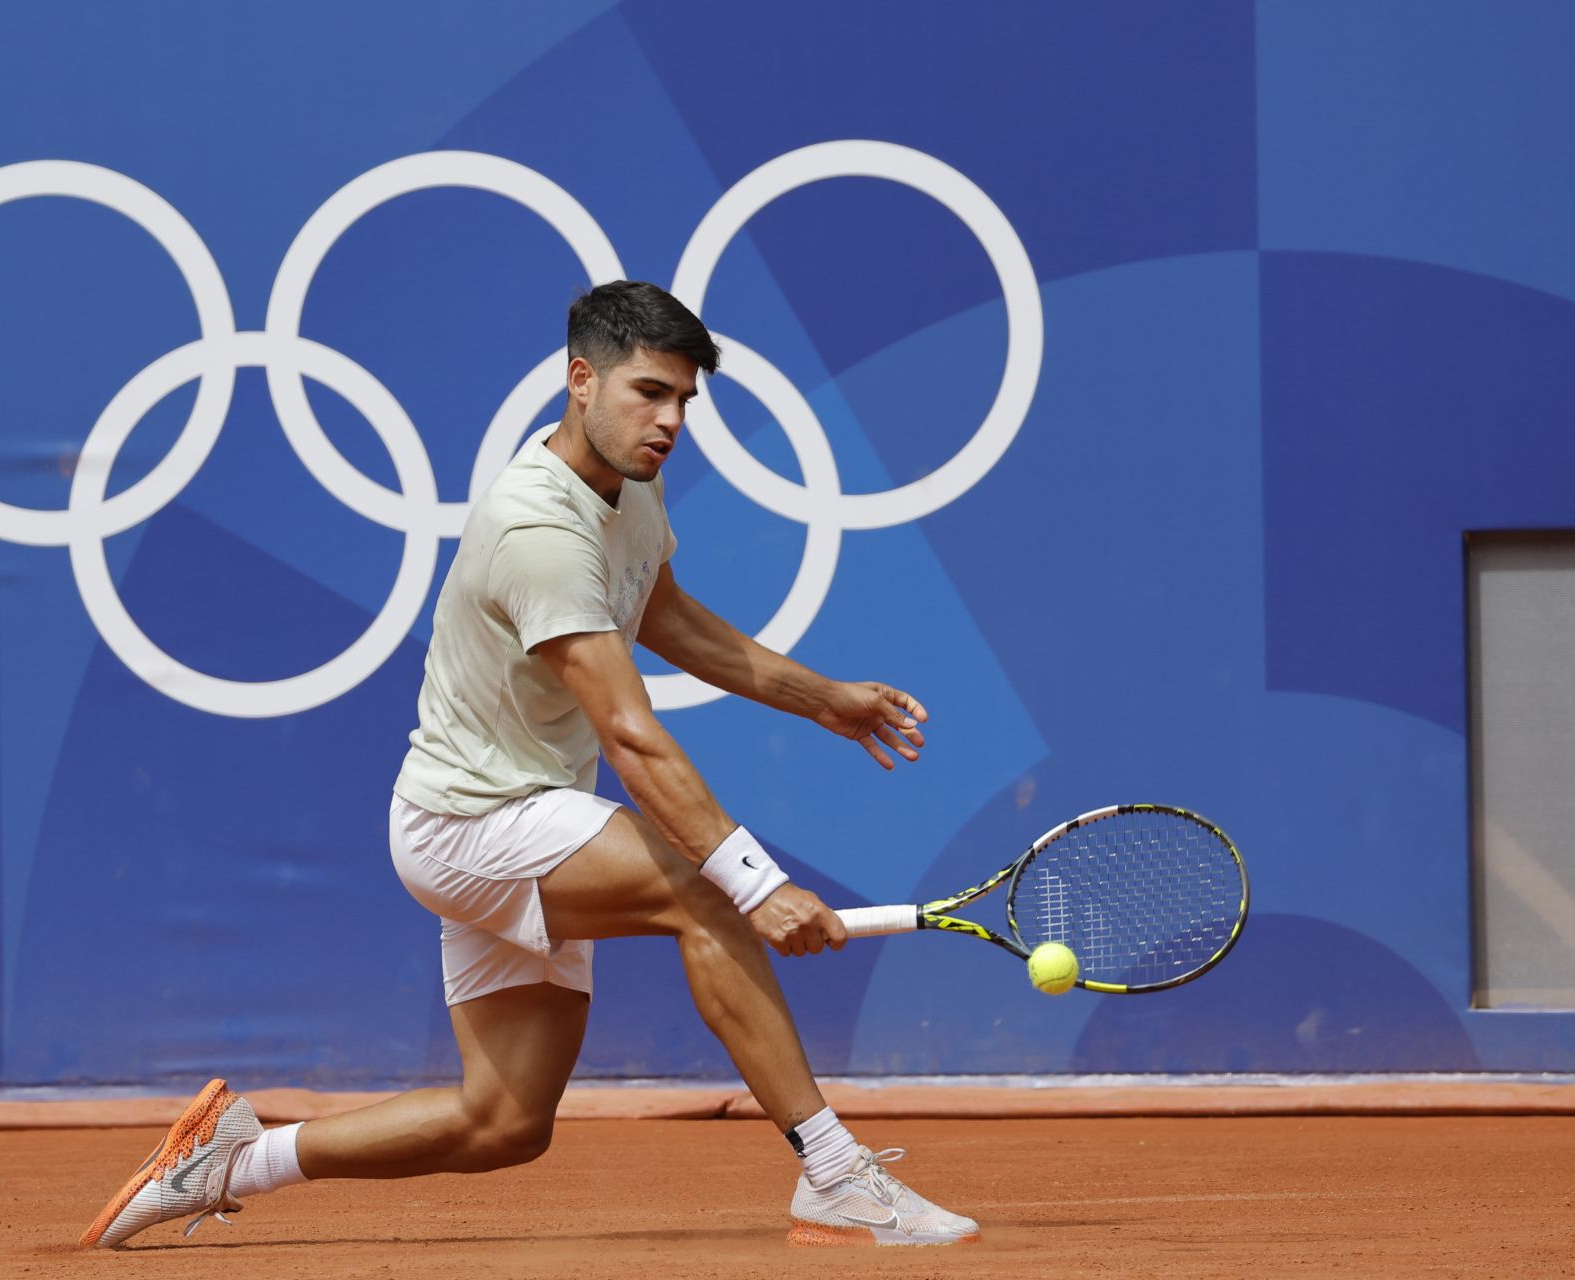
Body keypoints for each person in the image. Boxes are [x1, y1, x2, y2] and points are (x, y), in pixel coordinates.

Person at [81, 281, 980, 1250]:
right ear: (579, 378)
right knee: (703, 886)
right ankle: (837, 1174)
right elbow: (634, 736)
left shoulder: (631, 479)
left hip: (526, 812)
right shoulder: (537, 527)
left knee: (503, 1120)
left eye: (683, 399)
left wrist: (822, 696)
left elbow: (661, 609)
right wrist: (755, 882)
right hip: (472, 822)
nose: (670, 420)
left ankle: (221, 1160)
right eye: (648, 392)